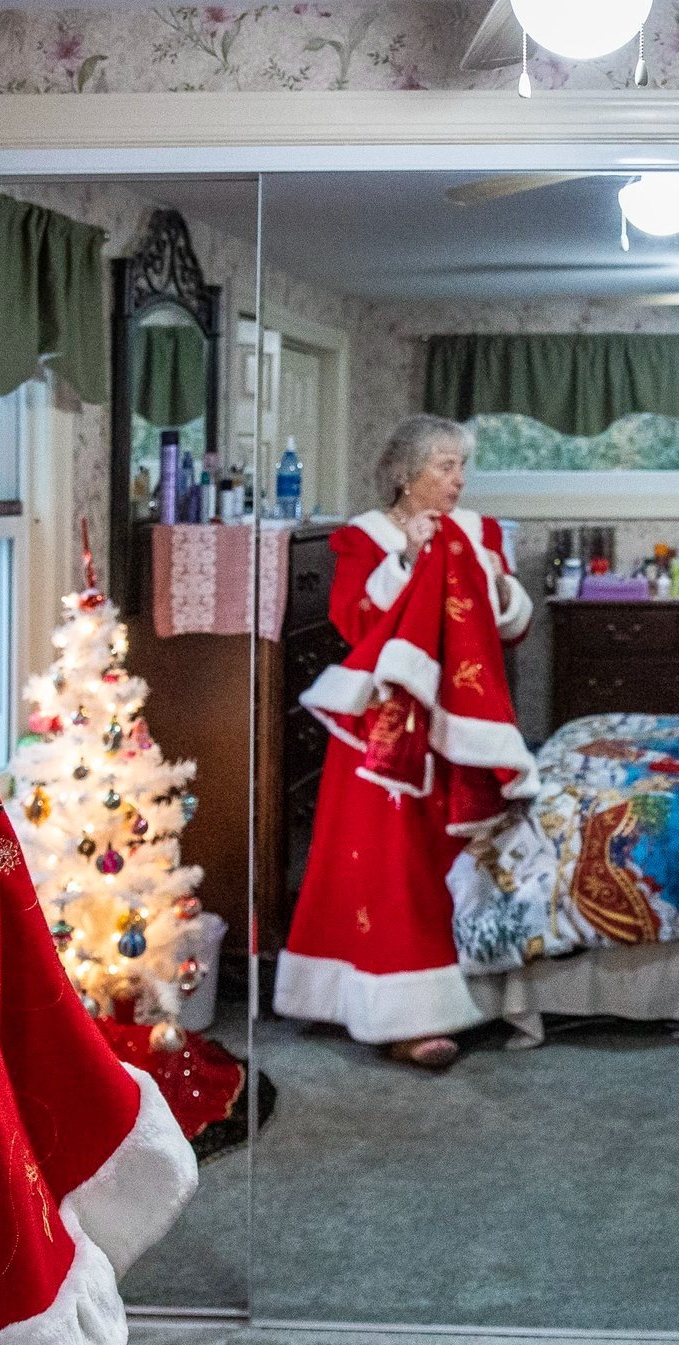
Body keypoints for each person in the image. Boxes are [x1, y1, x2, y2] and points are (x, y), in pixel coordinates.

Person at [275, 414, 533, 1069]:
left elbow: (511, 623)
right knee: (383, 863)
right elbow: (354, 619)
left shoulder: (479, 532)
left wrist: (489, 582)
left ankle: (466, 995)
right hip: (383, 731)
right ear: (403, 473)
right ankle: (394, 1012)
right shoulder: (362, 538)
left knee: (450, 856)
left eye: (460, 467)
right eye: (445, 466)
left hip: (459, 726)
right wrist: (410, 561)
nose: (458, 480)